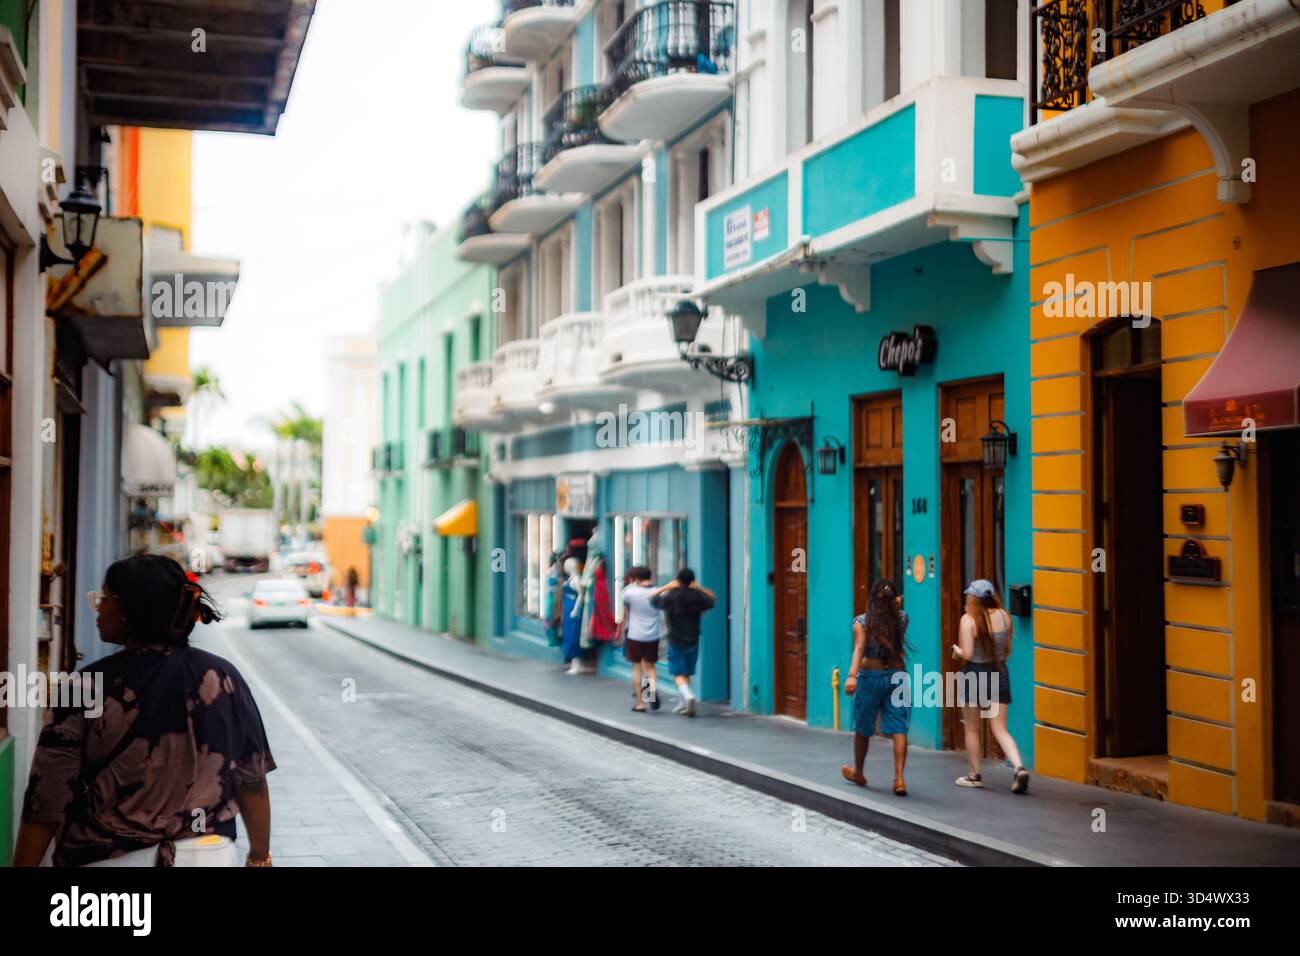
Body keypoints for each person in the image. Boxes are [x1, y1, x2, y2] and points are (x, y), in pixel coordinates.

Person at [13, 554, 277, 867]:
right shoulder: (222, 678)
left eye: (105, 598)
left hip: (108, 858)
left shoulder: (87, 687)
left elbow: (47, 798)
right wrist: (259, 857)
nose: (98, 608)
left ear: (130, 610)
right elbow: (251, 778)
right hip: (208, 853)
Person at [950, 579, 1029, 794]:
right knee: (1000, 728)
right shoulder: (1005, 616)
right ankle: (1019, 767)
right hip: (999, 671)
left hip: (975, 673)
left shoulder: (968, 620)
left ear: (973, 598)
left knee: (972, 728)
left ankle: (974, 775)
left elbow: (966, 654)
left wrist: (956, 651)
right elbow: (1008, 648)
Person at [842, 579, 911, 795]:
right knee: (899, 726)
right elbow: (896, 611)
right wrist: (895, 602)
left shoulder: (861, 623)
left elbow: (859, 648)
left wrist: (852, 676)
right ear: (895, 600)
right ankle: (899, 779)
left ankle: (859, 772)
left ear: (871, 599)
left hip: (870, 677)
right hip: (897, 676)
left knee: (863, 726)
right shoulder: (902, 618)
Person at [651, 568, 714, 716]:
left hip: (674, 639)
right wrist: (698, 587)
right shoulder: (697, 597)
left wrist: (667, 586)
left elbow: (653, 599)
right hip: (693, 639)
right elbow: (712, 599)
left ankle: (686, 696)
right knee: (686, 673)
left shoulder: (671, 597)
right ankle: (683, 703)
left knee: (677, 673)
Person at [618, 566, 662, 712]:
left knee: (636, 668)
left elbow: (625, 606)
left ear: (636, 578)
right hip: (653, 634)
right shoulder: (658, 592)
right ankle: (650, 692)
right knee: (650, 667)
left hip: (635, 635)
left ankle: (640, 703)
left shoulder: (630, 592)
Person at [560, 557, 585, 673]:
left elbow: (581, 594)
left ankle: (577, 663)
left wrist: (575, 610)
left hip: (573, 609)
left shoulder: (576, 579)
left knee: (573, 635)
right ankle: (573, 663)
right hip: (568, 609)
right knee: (569, 634)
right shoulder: (571, 578)